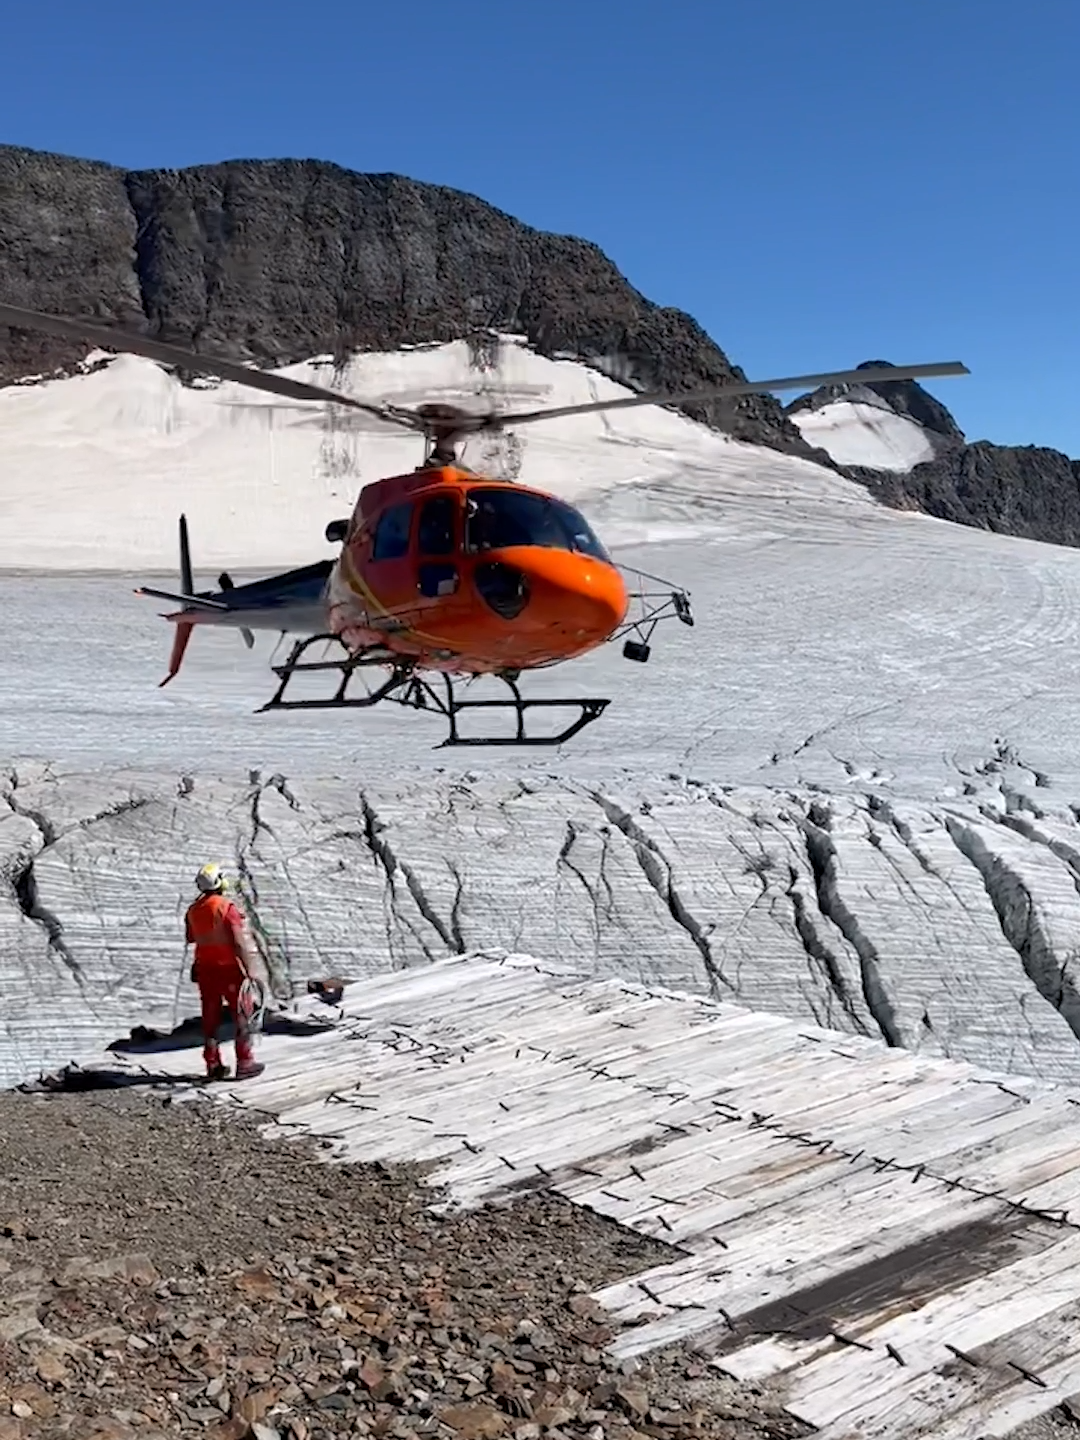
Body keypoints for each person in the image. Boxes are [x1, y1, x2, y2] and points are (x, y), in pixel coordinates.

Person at [185, 863, 265, 1082]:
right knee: (242, 1015)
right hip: (230, 970)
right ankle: (245, 1062)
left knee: (210, 1018)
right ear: (220, 881)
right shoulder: (226, 907)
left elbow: (191, 937)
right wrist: (250, 971)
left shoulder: (193, 910)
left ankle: (213, 1064)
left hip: (205, 970)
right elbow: (238, 941)